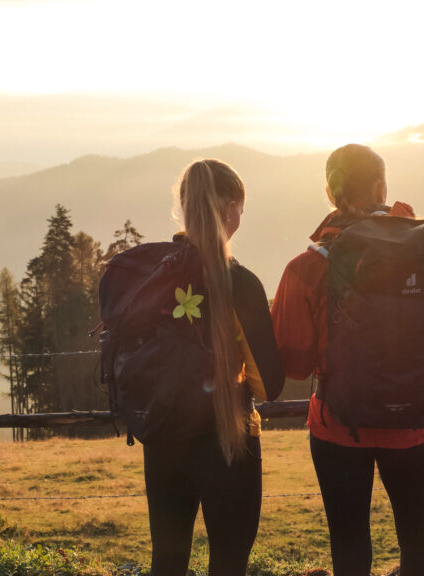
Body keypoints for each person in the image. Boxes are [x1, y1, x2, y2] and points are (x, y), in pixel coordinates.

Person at [271, 144, 424, 576]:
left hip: (338, 425)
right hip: (412, 424)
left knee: (349, 541)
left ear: (330, 191)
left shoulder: (306, 267)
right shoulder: (420, 253)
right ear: (382, 187)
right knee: (417, 541)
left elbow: (295, 365)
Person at [144, 159, 284, 576]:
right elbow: (268, 383)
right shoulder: (241, 283)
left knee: (167, 562)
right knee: (228, 561)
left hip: (163, 438)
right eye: (241, 205)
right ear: (228, 208)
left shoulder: (154, 276)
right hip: (229, 439)